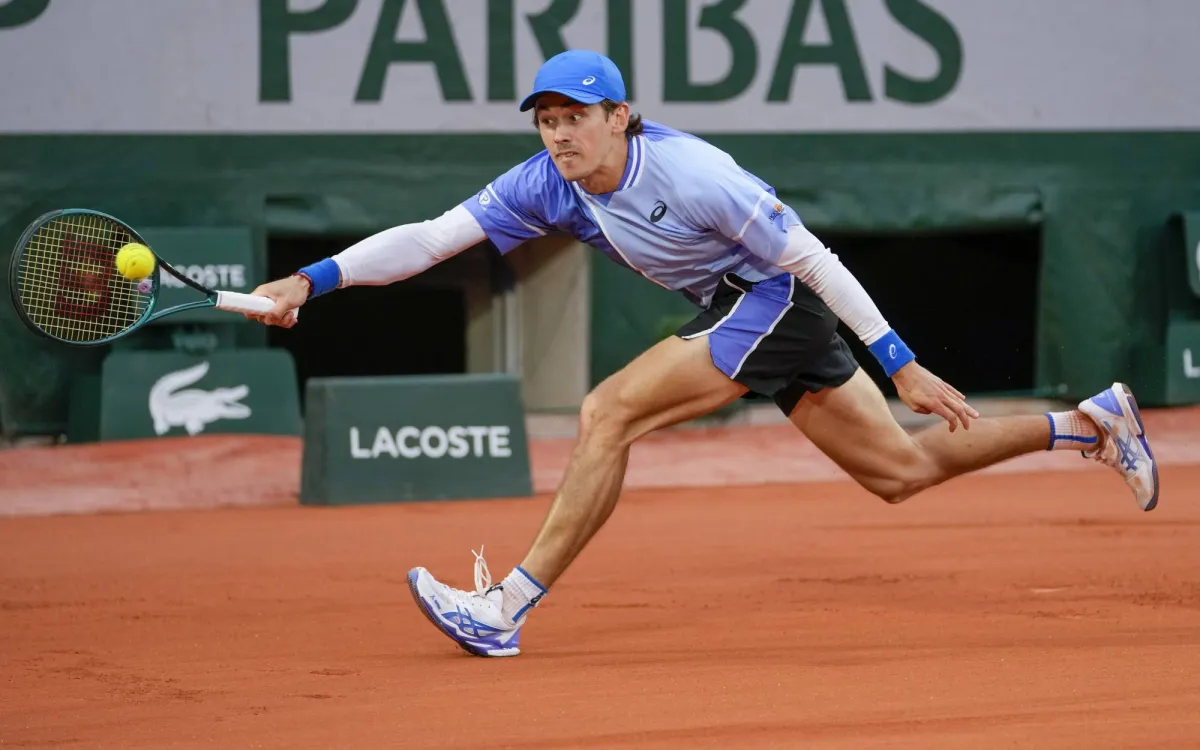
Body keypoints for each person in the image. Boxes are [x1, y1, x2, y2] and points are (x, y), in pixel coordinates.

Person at [246, 50, 1160, 658]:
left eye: (575, 116)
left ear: (620, 117)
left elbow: (812, 258)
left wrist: (901, 361)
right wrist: (310, 281)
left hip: (776, 296)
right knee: (901, 471)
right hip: (747, 309)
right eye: (546, 119)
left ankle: (504, 609)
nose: (559, 134)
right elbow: (430, 239)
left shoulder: (694, 173)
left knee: (607, 412)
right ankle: (1087, 425)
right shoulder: (544, 184)